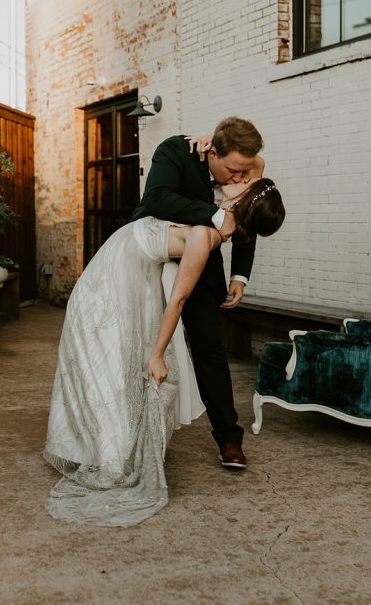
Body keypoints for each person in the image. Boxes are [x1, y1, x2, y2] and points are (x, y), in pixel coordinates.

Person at [43, 177, 285, 527]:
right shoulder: (213, 218)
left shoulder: (205, 235)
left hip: (124, 273)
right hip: (119, 271)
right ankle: (93, 448)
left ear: (242, 204)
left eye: (243, 185)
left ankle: (108, 455)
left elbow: (179, 299)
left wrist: (157, 354)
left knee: (118, 364)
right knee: (106, 360)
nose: (236, 181)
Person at [129, 117, 266, 470]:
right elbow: (157, 199)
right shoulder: (176, 150)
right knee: (138, 343)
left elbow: (247, 215)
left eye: (244, 172)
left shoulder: (241, 166)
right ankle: (131, 433)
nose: (238, 179)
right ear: (213, 152)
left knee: (210, 350)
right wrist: (214, 215)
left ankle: (229, 438)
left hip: (203, 268)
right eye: (234, 171)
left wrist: (240, 275)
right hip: (151, 262)